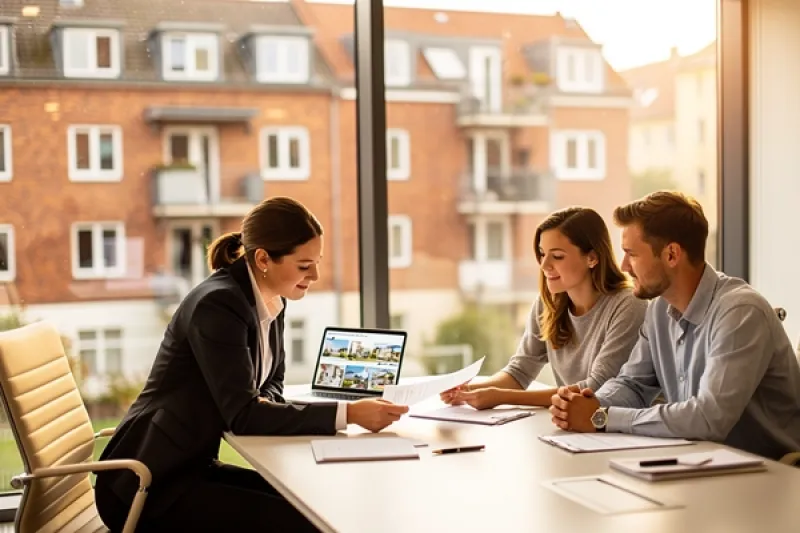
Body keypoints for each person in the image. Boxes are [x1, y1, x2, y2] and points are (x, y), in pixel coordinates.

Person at [94, 197, 409, 532]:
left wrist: (270, 407)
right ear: (263, 259)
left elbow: (272, 382)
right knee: (307, 521)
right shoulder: (218, 305)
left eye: (316, 262)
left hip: (191, 468)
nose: (315, 274)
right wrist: (350, 414)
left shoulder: (272, 301)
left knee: (313, 506)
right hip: (148, 486)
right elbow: (243, 414)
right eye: (304, 265)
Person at [549, 191, 800, 460]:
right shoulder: (659, 309)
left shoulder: (740, 312)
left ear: (671, 254)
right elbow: (633, 384)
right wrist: (590, 403)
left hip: (771, 474)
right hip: (703, 462)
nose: (623, 266)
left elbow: (708, 418)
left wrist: (602, 417)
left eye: (631, 254)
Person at [442, 207, 647, 410]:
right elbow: (519, 371)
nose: (544, 265)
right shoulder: (548, 303)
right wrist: (468, 391)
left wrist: (502, 397)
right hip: (578, 426)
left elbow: (595, 388)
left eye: (557, 256)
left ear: (592, 258)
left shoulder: (628, 305)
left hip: (627, 432)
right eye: (542, 254)